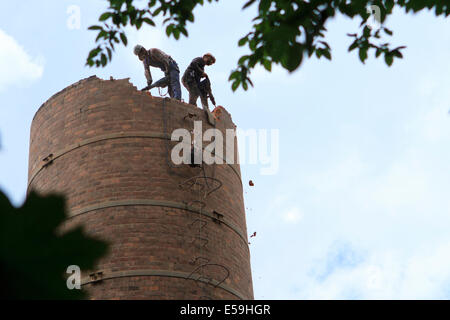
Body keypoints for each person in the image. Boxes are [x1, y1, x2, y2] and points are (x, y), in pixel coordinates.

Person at [182, 53, 216, 124]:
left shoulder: (202, 66)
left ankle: (204, 108)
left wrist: (210, 95)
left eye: (211, 63)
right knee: (194, 92)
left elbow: (207, 84)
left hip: (193, 81)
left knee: (199, 91)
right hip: (188, 78)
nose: (210, 63)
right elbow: (193, 64)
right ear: (205, 57)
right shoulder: (200, 60)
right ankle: (191, 108)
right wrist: (201, 72)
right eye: (210, 60)